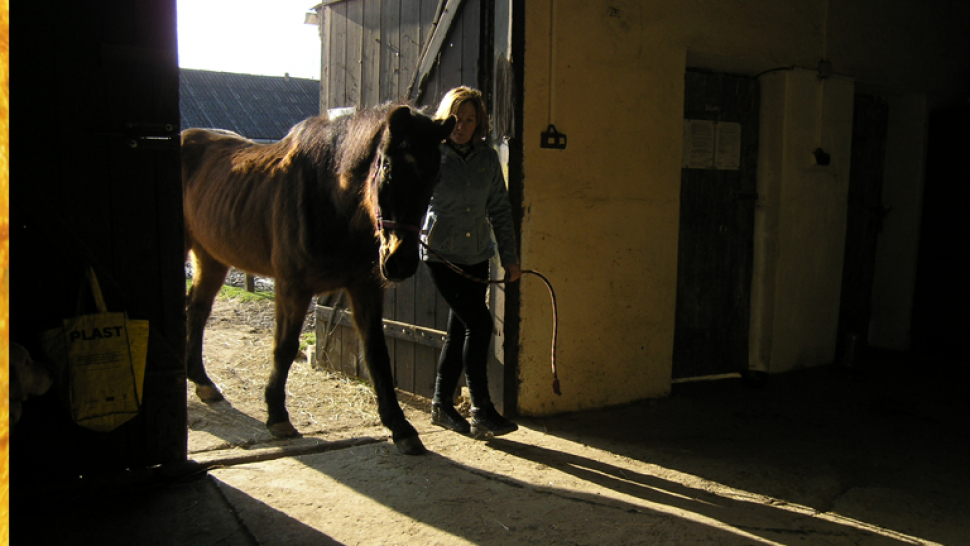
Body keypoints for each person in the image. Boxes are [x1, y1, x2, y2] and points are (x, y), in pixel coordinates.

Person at [423, 86, 521, 436]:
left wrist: (509, 258)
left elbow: (499, 210)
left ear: (478, 122)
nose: (461, 126)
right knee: (478, 325)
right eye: (456, 119)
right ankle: (481, 409)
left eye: (469, 119)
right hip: (441, 255)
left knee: (459, 328)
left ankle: (440, 405)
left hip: (477, 255)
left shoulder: (487, 159)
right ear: (445, 118)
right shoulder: (431, 155)